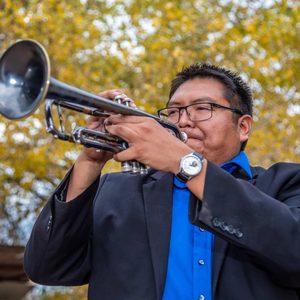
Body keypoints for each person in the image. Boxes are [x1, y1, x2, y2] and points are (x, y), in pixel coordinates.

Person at [24, 63, 300, 300]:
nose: (184, 121)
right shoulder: (118, 190)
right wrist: (90, 161)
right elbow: (47, 267)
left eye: (203, 108)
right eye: (174, 111)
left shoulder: (284, 184)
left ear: (243, 127)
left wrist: (187, 164)